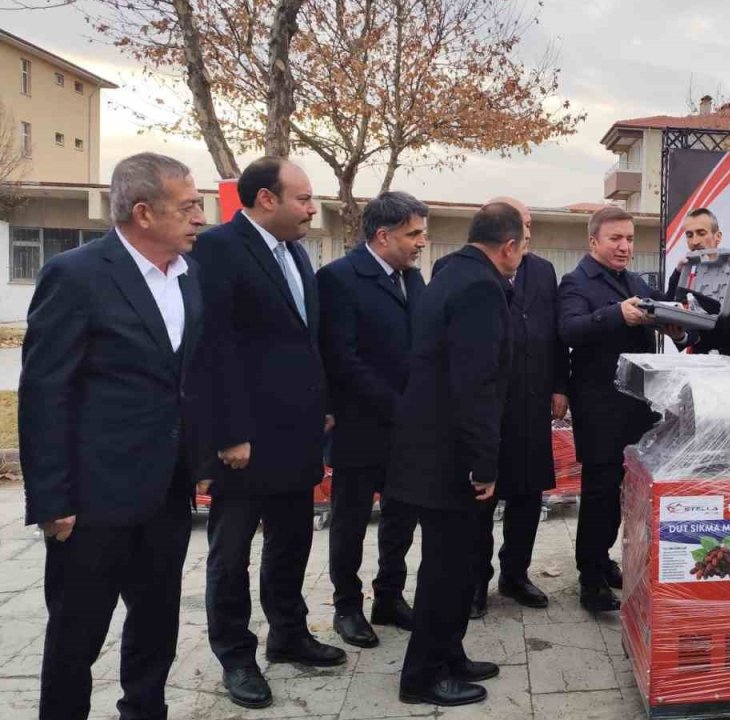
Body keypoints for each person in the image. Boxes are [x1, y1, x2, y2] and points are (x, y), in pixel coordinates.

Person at [20, 152, 216, 720]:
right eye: (188, 206)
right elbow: (44, 392)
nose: (200, 216)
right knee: (76, 634)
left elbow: (188, 376)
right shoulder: (77, 274)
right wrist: (51, 501)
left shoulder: (190, 275)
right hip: (92, 499)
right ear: (143, 213)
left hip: (166, 492)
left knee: (156, 622)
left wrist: (199, 457)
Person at [192, 157, 345, 709]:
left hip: (297, 432)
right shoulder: (218, 250)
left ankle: (288, 633)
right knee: (231, 554)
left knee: (293, 539)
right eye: (303, 198)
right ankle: (236, 656)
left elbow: (306, 339)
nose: (312, 209)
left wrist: (323, 404)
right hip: (245, 441)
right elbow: (214, 348)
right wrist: (229, 433)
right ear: (265, 200)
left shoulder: (296, 255)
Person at [383, 202, 524, 707]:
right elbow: (475, 385)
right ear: (508, 246)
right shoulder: (481, 288)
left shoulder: (450, 272)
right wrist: (483, 464)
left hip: (430, 447)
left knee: (458, 563)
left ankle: (449, 653)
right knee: (447, 569)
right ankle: (421, 677)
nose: (521, 254)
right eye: (523, 244)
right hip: (450, 458)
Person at [317, 191, 428, 648]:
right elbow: (342, 358)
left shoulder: (413, 279)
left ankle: (390, 595)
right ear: (383, 236)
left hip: (408, 429)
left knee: (402, 515)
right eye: (413, 233)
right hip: (360, 425)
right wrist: (396, 405)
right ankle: (347, 605)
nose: (421, 242)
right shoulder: (339, 278)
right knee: (351, 519)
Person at [558, 206, 680, 612]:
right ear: (594, 241)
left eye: (629, 238)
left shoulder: (634, 281)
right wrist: (616, 314)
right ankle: (590, 579)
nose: (625, 246)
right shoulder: (575, 282)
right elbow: (569, 329)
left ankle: (605, 559)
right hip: (599, 406)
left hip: (638, 404)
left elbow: (667, 313)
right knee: (600, 493)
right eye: (615, 239)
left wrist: (673, 322)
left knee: (629, 492)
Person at [462, 196, 567, 619]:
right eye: (517, 226)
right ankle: (474, 581)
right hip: (490, 406)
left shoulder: (542, 271)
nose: (525, 234)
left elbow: (556, 334)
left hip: (532, 399)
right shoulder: (472, 271)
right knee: (481, 500)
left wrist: (560, 386)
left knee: (527, 496)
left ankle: (516, 573)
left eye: (529, 225)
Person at [665, 207, 730, 356]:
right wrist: (680, 337)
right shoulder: (684, 273)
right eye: (689, 235)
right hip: (701, 364)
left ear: (717, 236)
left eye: (701, 233)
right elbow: (682, 322)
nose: (695, 241)